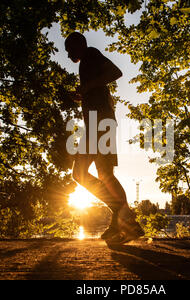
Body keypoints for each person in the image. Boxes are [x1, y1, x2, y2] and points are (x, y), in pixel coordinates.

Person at [65, 32, 144, 244]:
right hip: (99, 122)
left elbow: (116, 72)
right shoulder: (87, 61)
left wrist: (88, 87)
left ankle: (123, 218)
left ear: (78, 45)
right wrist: (85, 92)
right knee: (103, 173)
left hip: (100, 123)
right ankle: (125, 222)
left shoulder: (90, 53)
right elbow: (99, 86)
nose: (67, 54)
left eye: (68, 49)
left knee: (82, 174)